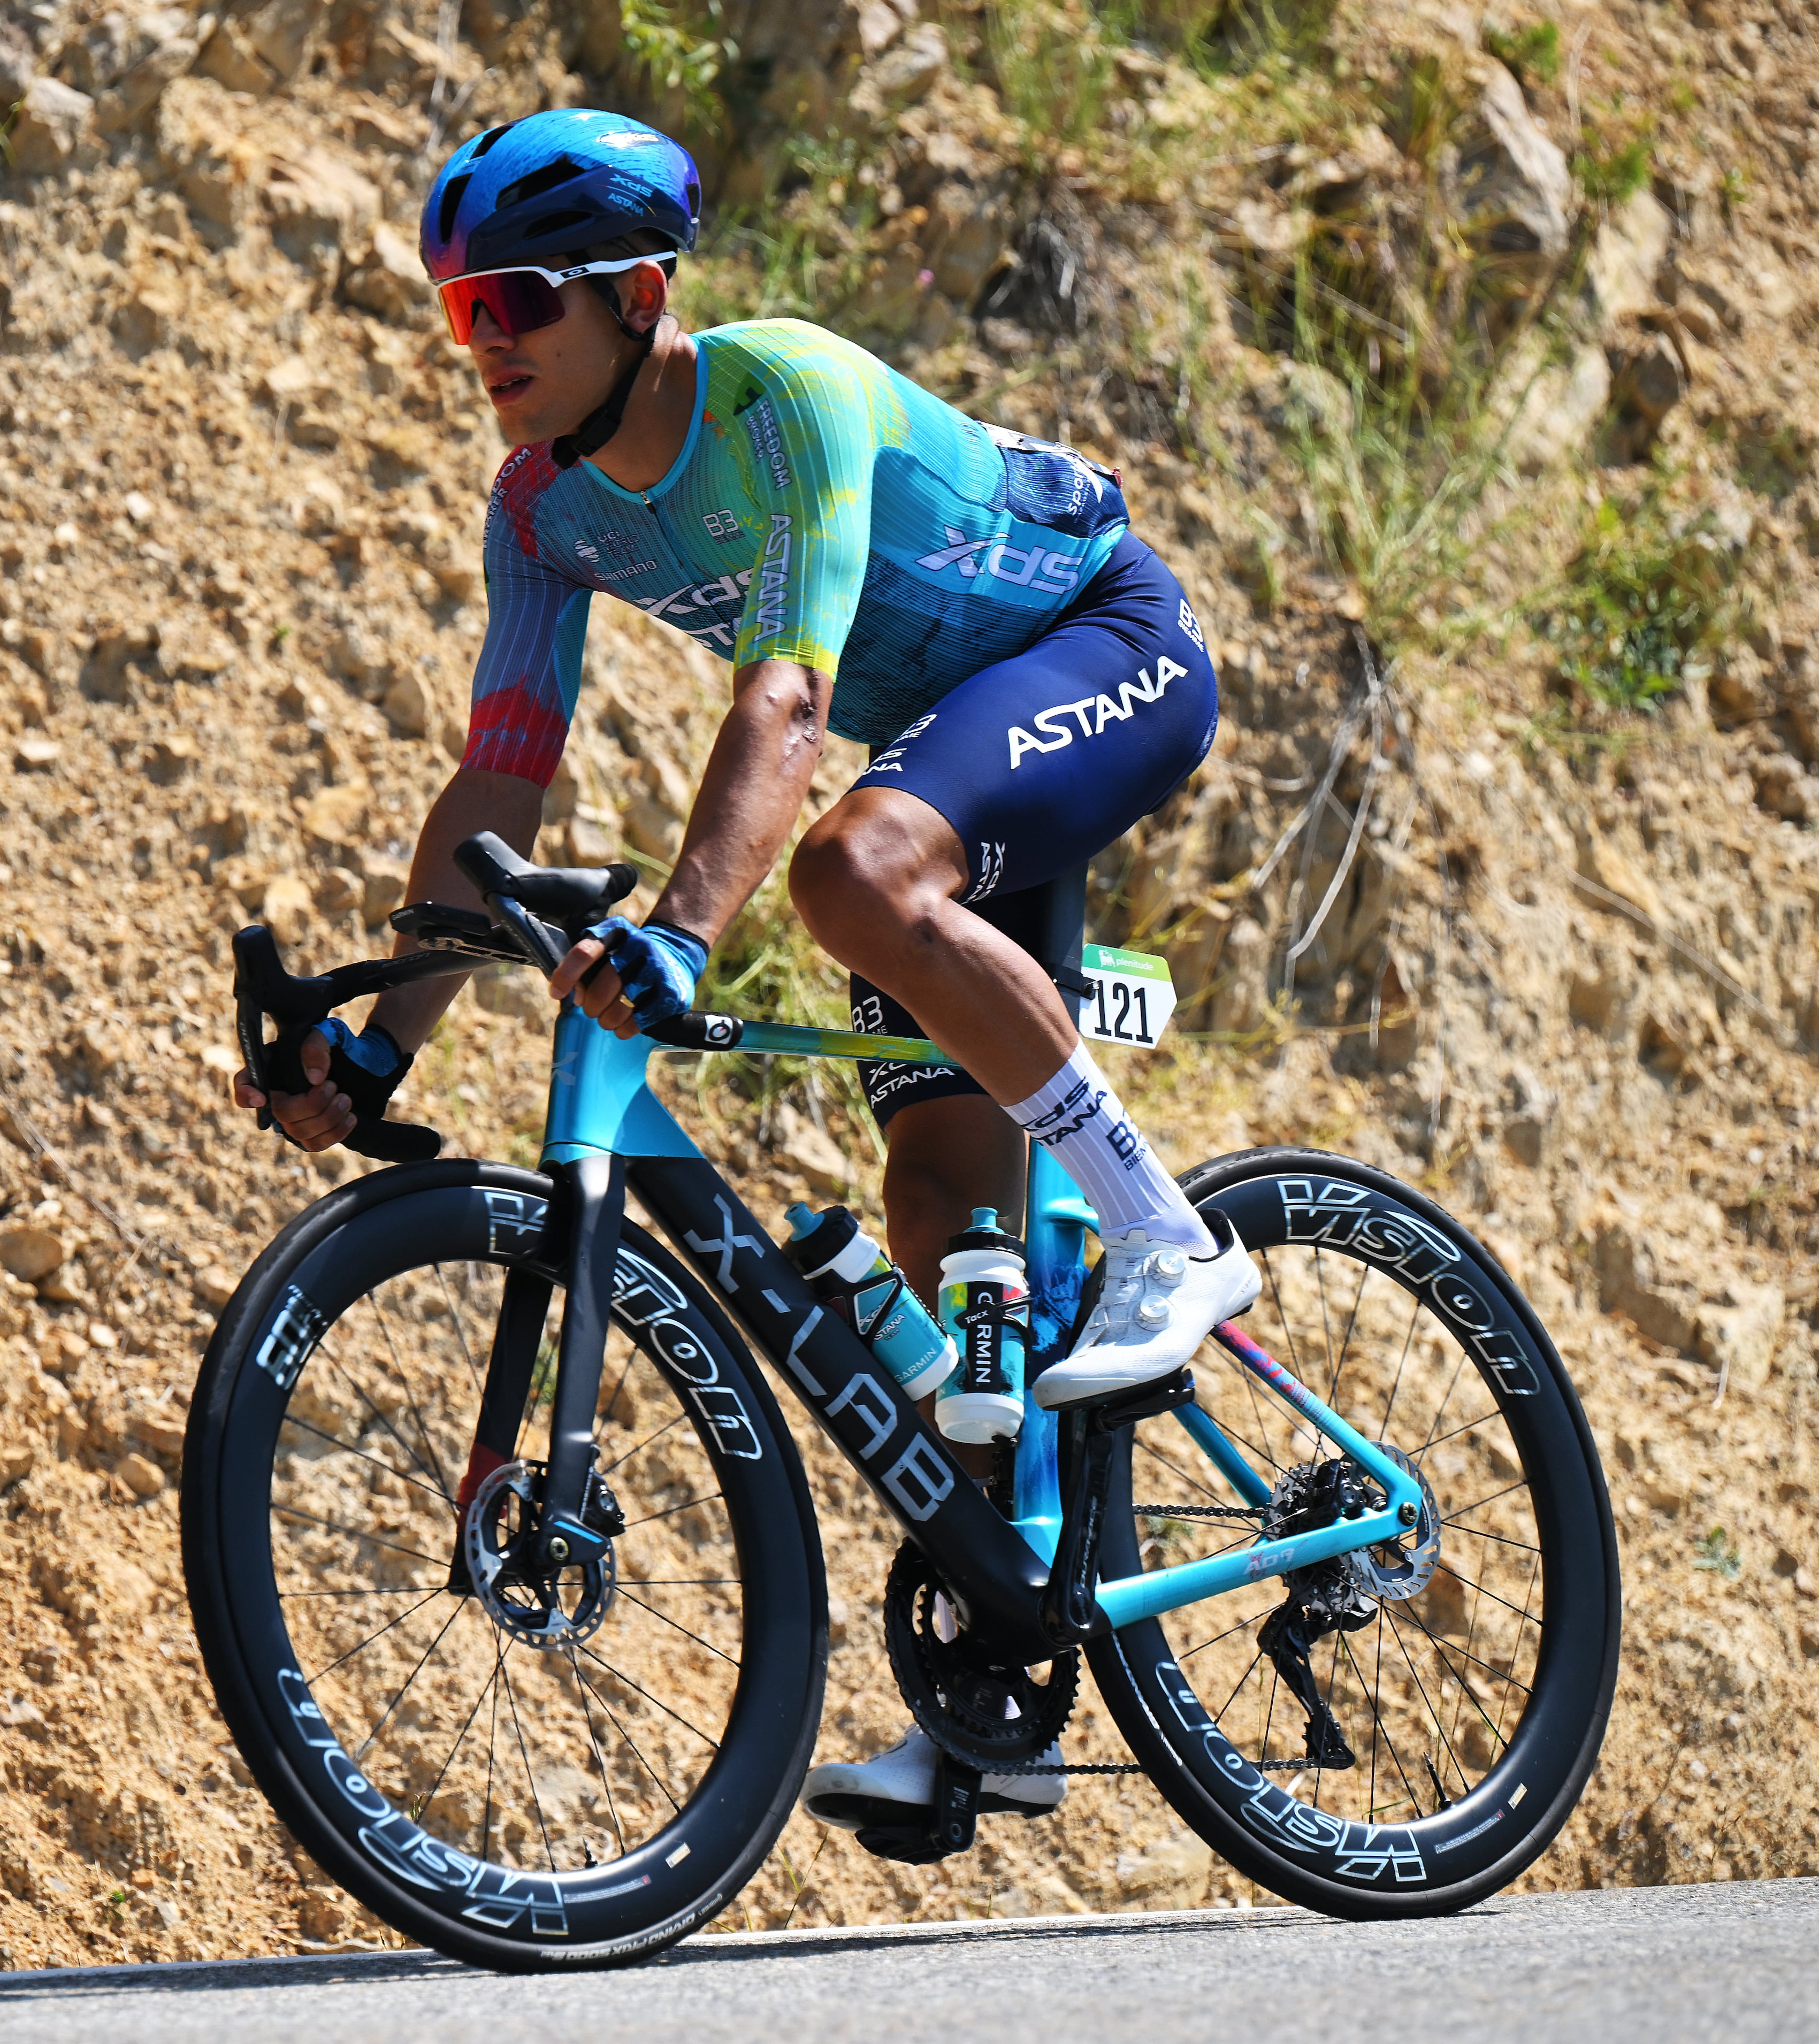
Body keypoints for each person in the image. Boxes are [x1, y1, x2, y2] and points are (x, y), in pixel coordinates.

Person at [233, 108, 1259, 1835]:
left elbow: (786, 698)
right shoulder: (543, 511)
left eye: (522, 305)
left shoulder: (778, 400)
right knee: (939, 1201)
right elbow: (502, 786)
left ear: (639, 295)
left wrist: (687, 930)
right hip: (955, 744)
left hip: (1107, 645)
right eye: (459, 311)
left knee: (855, 865)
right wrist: (385, 1046)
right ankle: (1007, 1677)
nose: (485, 345)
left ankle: (1172, 1239)